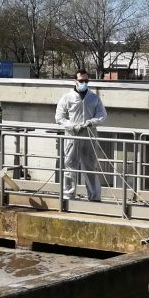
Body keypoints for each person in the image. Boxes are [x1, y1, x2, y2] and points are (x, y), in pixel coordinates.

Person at [55, 70, 107, 201]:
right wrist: (72, 126)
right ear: (75, 81)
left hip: (89, 135)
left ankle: (94, 196)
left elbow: (102, 114)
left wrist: (91, 122)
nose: (84, 83)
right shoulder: (67, 98)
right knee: (70, 165)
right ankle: (68, 195)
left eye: (86, 81)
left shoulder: (94, 98)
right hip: (72, 136)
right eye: (81, 81)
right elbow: (59, 117)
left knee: (90, 165)